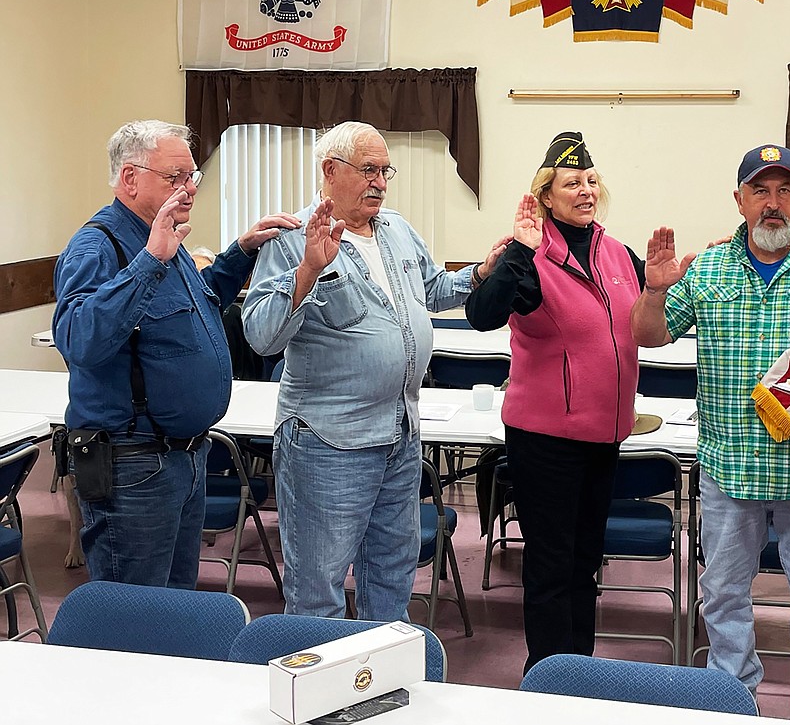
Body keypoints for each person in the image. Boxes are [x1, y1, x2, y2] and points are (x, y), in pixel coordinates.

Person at [630, 144, 790, 723]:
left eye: (785, 190)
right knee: (722, 599)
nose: (773, 204)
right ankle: (733, 709)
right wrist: (654, 288)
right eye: (760, 191)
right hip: (728, 470)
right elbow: (649, 336)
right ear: (740, 199)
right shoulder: (706, 270)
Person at [243, 121, 508, 620]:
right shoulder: (292, 239)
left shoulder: (397, 229)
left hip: (399, 436)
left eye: (385, 171)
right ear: (330, 171)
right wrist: (307, 272)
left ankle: (385, 679)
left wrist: (478, 274)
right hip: (328, 442)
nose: (380, 182)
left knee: (392, 573)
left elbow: (431, 291)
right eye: (369, 170)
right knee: (319, 585)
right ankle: (320, 690)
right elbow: (262, 336)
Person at [53, 119, 299, 588]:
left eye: (193, 178)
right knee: (135, 616)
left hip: (184, 458)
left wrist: (241, 252)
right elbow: (79, 339)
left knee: (175, 605)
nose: (188, 189)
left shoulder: (165, 234)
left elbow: (195, 304)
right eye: (175, 178)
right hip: (133, 464)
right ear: (130, 178)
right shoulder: (99, 246)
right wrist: (149, 262)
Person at [465, 132, 645, 673]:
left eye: (591, 181)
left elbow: (649, 313)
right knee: (550, 566)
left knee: (586, 563)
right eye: (573, 183)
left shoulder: (617, 253)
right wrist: (519, 250)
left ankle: (579, 674)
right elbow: (482, 314)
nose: (586, 191)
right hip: (545, 440)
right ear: (547, 195)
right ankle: (547, 677)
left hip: (605, 436)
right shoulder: (532, 257)